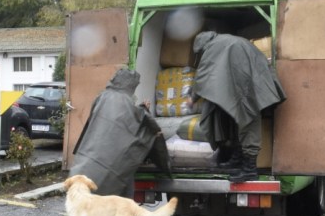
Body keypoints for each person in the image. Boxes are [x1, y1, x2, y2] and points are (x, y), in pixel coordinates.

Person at [189, 31, 286, 183]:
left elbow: (204, 74)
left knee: (248, 122)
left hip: (247, 87)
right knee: (238, 118)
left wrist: (193, 97)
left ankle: (249, 169)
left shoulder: (213, 47)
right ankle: (237, 160)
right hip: (255, 82)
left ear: (202, 46)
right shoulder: (227, 40)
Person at [70, 68, 169, 196]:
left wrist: (142, 109)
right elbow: (136, 123)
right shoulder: (126, 102)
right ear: (130, 85)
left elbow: (94, 124)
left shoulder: (101, 97)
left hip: (88, 160)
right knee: (122, 200)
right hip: (115, 164)